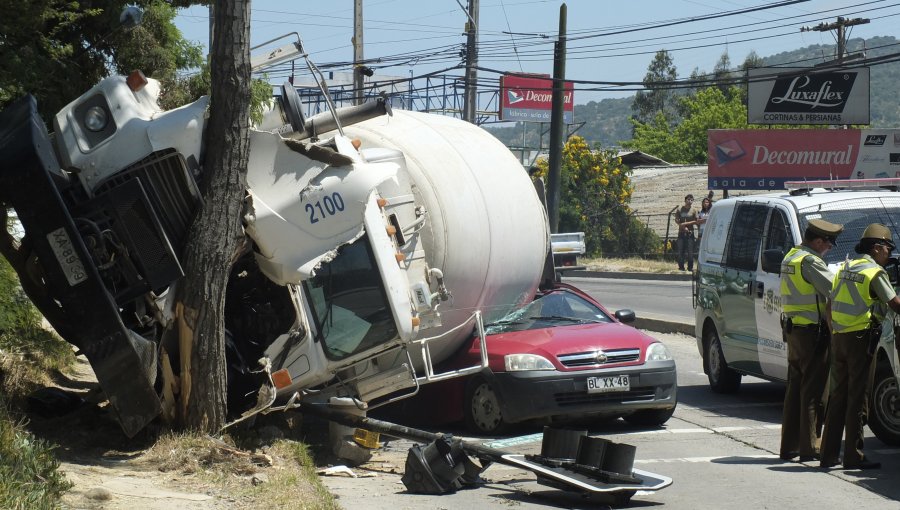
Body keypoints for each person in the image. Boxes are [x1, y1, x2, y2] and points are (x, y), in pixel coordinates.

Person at [820, 223, 900, 470]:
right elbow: (895, 303)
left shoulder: (846, 267)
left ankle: (829, 455)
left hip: (841, 338)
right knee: (858, 398)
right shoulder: (874, 273)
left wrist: (835, 331)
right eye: (888, 249)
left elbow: (829, 305)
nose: (889, 254)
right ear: (877, 248)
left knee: (838, 397)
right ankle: (854, 456)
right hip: (861, 340)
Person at [778, 218, 843, 463]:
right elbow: (835, 290)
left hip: (794, 330)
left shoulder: (791, 257)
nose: (830, 248)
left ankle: (789, 446)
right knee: (814, 392)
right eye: (829, 243)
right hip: (812, 333)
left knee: (795, 390)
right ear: (817, 241)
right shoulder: (811, 262)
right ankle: (810, 447)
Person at [674, 194, 698, 272]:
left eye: (691, 200)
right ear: (685, 200)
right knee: (681, 250)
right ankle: (681, 267)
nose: (690, 201)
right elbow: (677, 220)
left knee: (690, 251)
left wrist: (688, 225)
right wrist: (683, 226)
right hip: (681, 233)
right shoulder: (680, 209)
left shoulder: (694, 210)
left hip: (690, 233)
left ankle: (690, 267)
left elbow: (696, 221)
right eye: (688, 199)